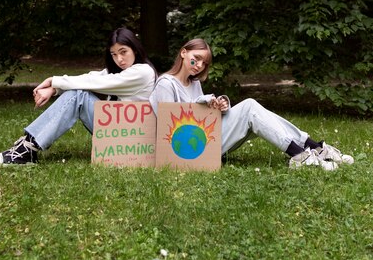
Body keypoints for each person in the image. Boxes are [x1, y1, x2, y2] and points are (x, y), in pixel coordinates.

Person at [149, 38, 354, 170]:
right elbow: (170, 128)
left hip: (203, 137)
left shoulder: (193, 83)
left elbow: (201, 115)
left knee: (251, 107)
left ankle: (313, 147)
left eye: (204, 63)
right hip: (189, 150)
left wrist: (219, 106)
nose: (199, 66)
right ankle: (300, 154)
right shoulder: (166, 84)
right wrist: (202, 102)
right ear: (183, 53)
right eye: (196, 59)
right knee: (249, 108)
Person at [0, 28, 157, 165]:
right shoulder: (121, 72)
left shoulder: (142, 72)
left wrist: (53, 81)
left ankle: (26, 149)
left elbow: (95, 83)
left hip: (132, 141)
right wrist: (54, 89)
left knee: (81, 95)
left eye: (123, 52)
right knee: (79, 93)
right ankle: (27, 146)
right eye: (113, 54)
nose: (119, 59)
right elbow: (92, 77)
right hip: (119, 134)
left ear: (134, 49)